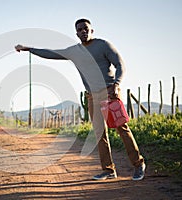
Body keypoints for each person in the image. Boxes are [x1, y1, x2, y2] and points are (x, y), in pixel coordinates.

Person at [15, 18, 146, 181]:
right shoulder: (73, 51)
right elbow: (51, 53)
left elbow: (120, 65)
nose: (83, 31)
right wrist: (29, 49)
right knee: (99, 133)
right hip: (92, 96)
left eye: (86, 28)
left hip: (108, 93)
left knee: (121, 128)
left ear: (92, 30)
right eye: (79, 30)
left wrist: (117, 84)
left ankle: (138, 164)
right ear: (76, 33)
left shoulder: (103, 45)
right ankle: (108, 170)